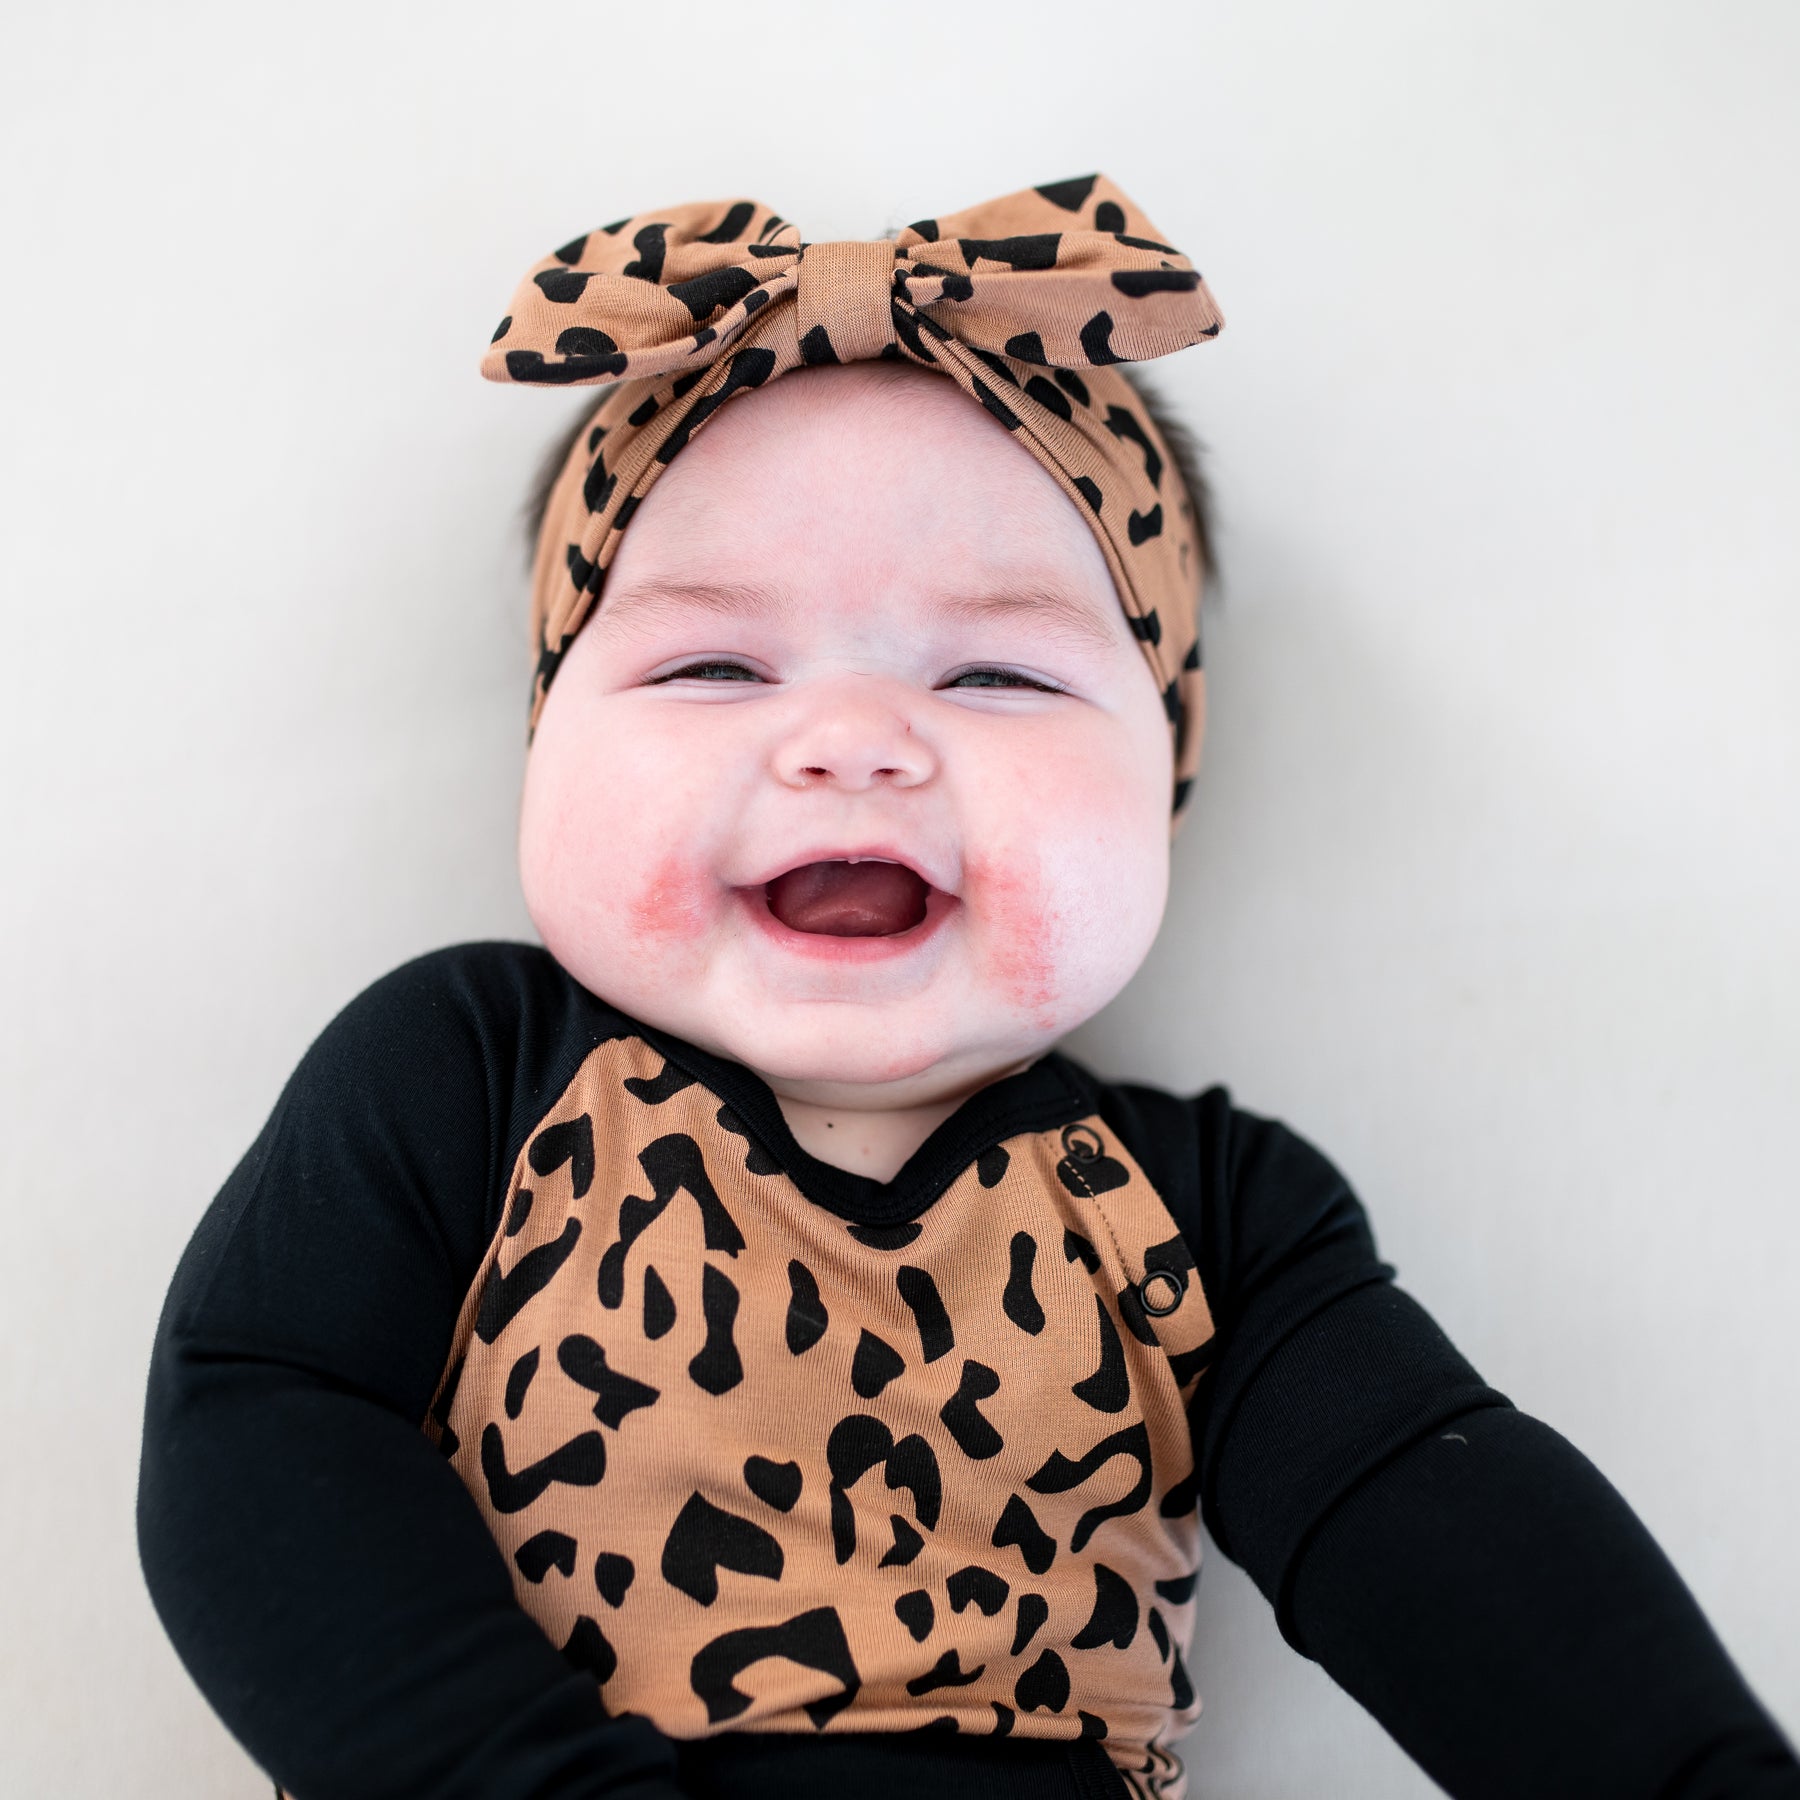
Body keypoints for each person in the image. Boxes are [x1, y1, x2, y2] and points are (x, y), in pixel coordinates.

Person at [137, 176, 1800, 1800]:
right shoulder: (467, 1078)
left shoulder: (1209, 1216)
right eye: (714, 664)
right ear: (547, 735)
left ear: (1164, 773)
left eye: (995, 674)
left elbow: (1430, 1523)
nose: (854, 738)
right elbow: (257, 1433)